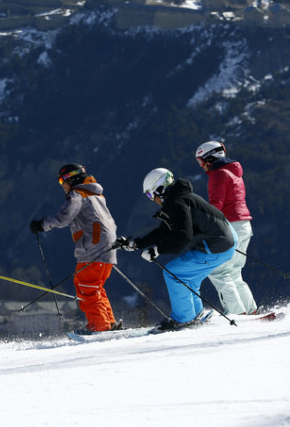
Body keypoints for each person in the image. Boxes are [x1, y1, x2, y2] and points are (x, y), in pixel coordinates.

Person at [114, 168, 237, 330]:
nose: (152, 200)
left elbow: (182, 236)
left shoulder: (177, 203)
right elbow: (164, 231)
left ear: (160, 190)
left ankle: (183, 319)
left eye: (151, 195)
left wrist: (157, 250)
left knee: (173, 272)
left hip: (217, 245)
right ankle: (195, 314)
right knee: (189, 277)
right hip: (224, 241)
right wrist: (136, 244)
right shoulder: (179, 199)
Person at [29, 164, 119, 333]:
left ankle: (100, 327)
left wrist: (42, 224)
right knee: (94, 286)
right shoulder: (96, 195)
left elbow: (64, 217)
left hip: (94, 247)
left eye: (62, 180)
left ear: (72, 178)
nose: (61, 185)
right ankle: (108, 323)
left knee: (86, 286)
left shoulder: (77, 194)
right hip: (107, 248)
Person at [195, 141, 258, 315]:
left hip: (230, 227)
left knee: (218, 271)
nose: (201, 166)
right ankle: (250, 311)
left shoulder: (218, 174)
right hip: (244, 225)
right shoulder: (235, 173)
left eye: (201, 161)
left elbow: (216, 205)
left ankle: (237, 313)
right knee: (234, 272)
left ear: (210, 157)